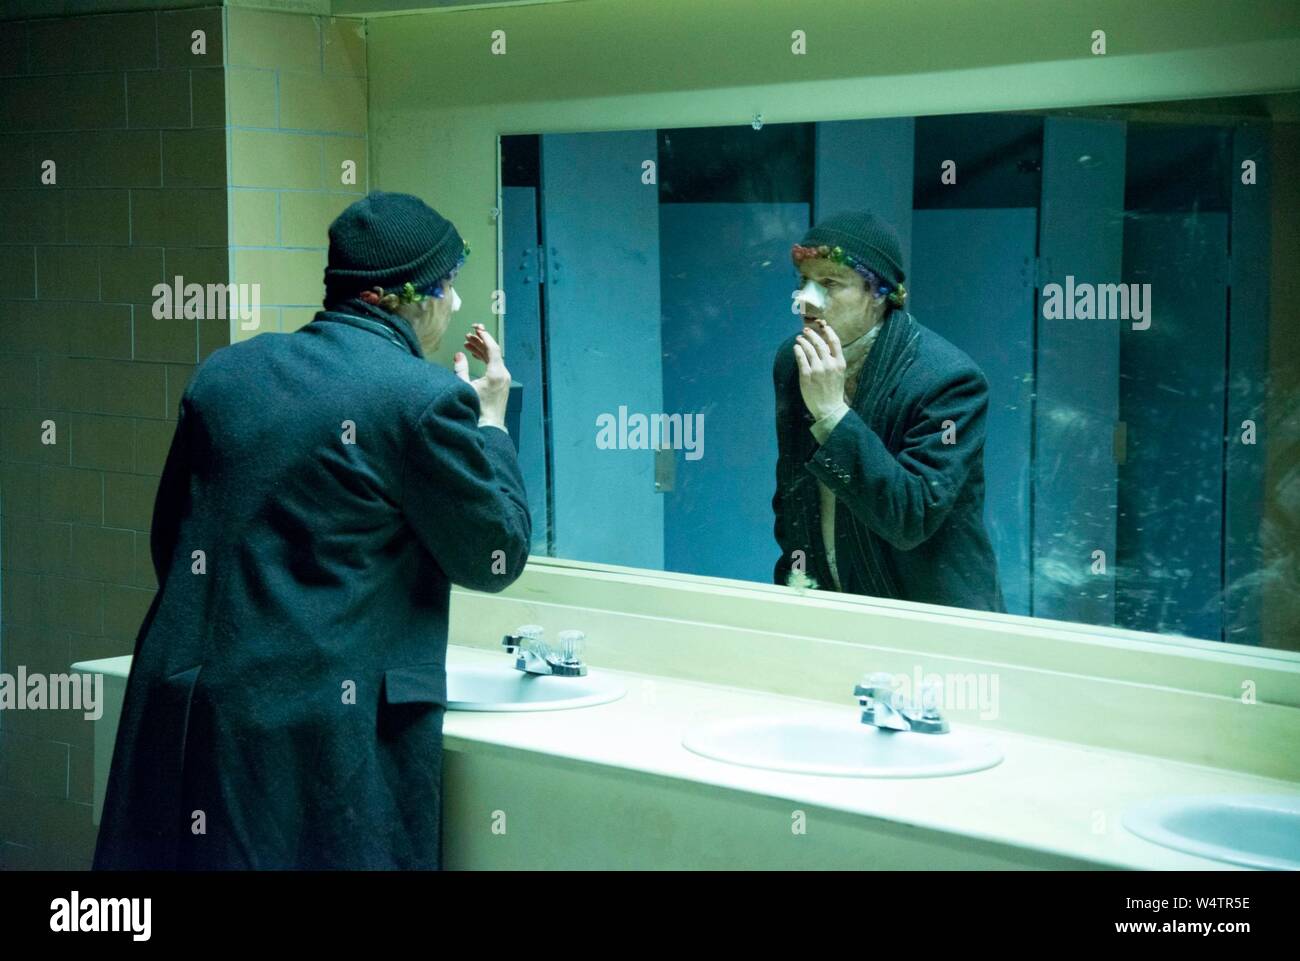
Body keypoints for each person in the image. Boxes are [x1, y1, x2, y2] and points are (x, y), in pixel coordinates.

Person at [93, 191, 530, 870]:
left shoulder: (227, 375)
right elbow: (495, 554)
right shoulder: (422, 398)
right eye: (447, 286)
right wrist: (493, 423)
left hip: (191, 717)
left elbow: (174, 544)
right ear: (408, 297)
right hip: (316, 746)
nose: (451, 304)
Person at [772, 211, 1003, 612]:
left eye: (829, 283)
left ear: (879, 293)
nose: (806, 300)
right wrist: (794, 590)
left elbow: (910, 518)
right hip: (829, 605)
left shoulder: (948, 379)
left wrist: (832, 413)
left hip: (934, 617)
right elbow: (792, 496)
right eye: (803, 282)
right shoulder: (794, 362)